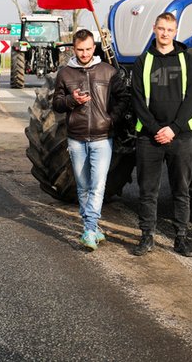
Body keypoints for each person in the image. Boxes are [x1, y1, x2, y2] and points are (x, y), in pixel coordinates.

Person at [52, 29, 129, 251]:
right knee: (83, 186)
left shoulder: (108, 71)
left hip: (102, 138)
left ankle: (89, 228)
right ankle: (93, 227)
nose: (84, 54)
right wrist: (71, 100)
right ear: (73, 49)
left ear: (93, 48)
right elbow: (56, 103)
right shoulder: (65, 73)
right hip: (76, 138)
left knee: (98, 185)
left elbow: (123, 98)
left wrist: (110, 119)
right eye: (80, 50)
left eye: (88, 49)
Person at [131, 12, 192, 257]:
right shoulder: (143, 61)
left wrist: (173, 128)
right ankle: (146, 236)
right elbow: (138, 100)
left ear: (175, 31)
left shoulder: (186, 60)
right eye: (161, 29)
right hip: (149, 137)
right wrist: (155, 129)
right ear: (154, 28)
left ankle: (181, 237)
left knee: (181, 190)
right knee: (148, 190)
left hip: (179, 136)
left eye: (169, 30)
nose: (165, 34)